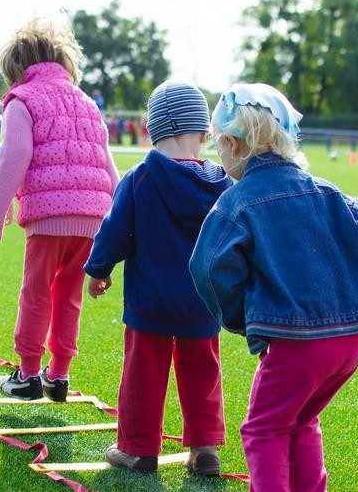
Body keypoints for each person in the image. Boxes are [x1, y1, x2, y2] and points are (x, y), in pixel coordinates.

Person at [189, 83, 358, 492]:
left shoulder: (237, 201)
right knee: (301, 420)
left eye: (218, 145)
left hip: (297, 341)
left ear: (232, 143)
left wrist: (242, 319)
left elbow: (208, 267)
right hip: (351, 341)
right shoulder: (329, 191)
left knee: (263, 429)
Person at [84, 81, 233, 476]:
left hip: (149, 302)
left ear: (150, 130)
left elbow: (114, 230)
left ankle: (138, 449)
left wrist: (98, 269)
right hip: (203, 302)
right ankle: (205, 449)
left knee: (142, 376)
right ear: (203, 133)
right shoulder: (223, 183)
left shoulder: (140, 178)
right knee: (203, 374)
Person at [0, 18, 119, 401]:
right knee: (68, 295)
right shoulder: (87, 102)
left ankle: (26, 375)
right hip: (93, 217)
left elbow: (15, 155)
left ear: (16, 70)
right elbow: (108, 165)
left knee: (36, 292)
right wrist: (120, 224)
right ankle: (58, 375)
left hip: (49, 214)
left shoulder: (22, 100)